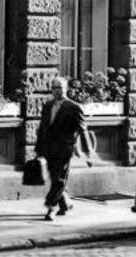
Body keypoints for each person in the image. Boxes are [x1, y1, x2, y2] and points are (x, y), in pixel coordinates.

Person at [36, 76, 93, 219]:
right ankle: (65, 204)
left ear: (66, 89)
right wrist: (38, 148)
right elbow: (42, 128)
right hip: (49, 147)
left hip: (64, 148)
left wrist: (88, 152)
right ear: (51, 90)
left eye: (60, 88)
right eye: (55, 88)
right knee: (55, 177)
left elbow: (83, 130)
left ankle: (51, 207)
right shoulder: (47, 106)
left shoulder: (74, 107)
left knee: (59, 179)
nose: (58, 91)